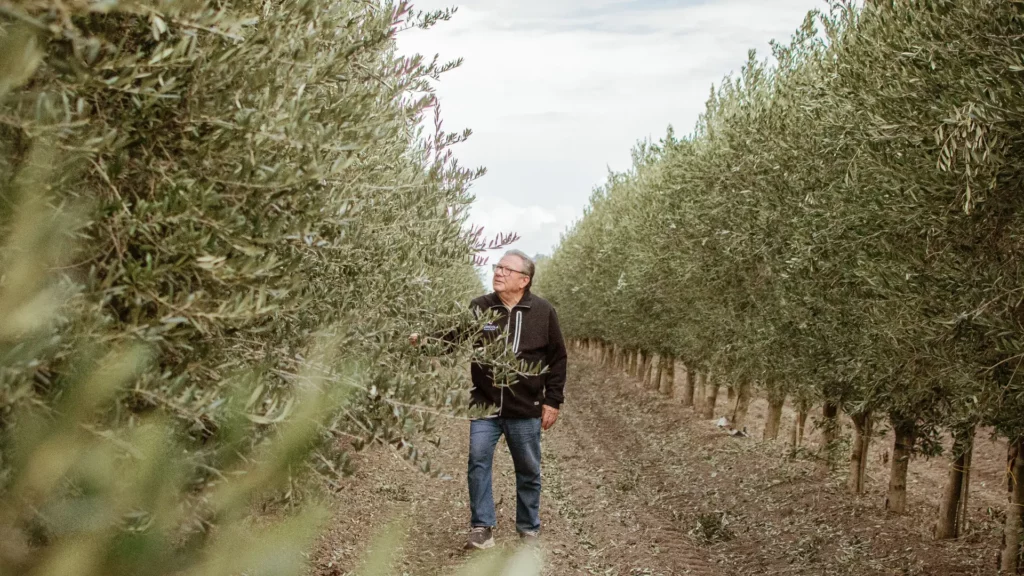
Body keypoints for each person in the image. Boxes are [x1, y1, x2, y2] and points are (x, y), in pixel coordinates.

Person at [413, 249, 568, 550]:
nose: (498, 272)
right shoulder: (481, 307)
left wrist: (553, 400)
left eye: (507, 270)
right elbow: (454, 337)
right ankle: (482, 527)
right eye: (497, 267)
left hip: (525, 408)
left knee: (527, 469)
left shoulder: (543, 312)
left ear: (524, 280)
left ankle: (528, 528)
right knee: (478, 463)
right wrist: (425, 342)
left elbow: (557, 358)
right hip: (485, 404)